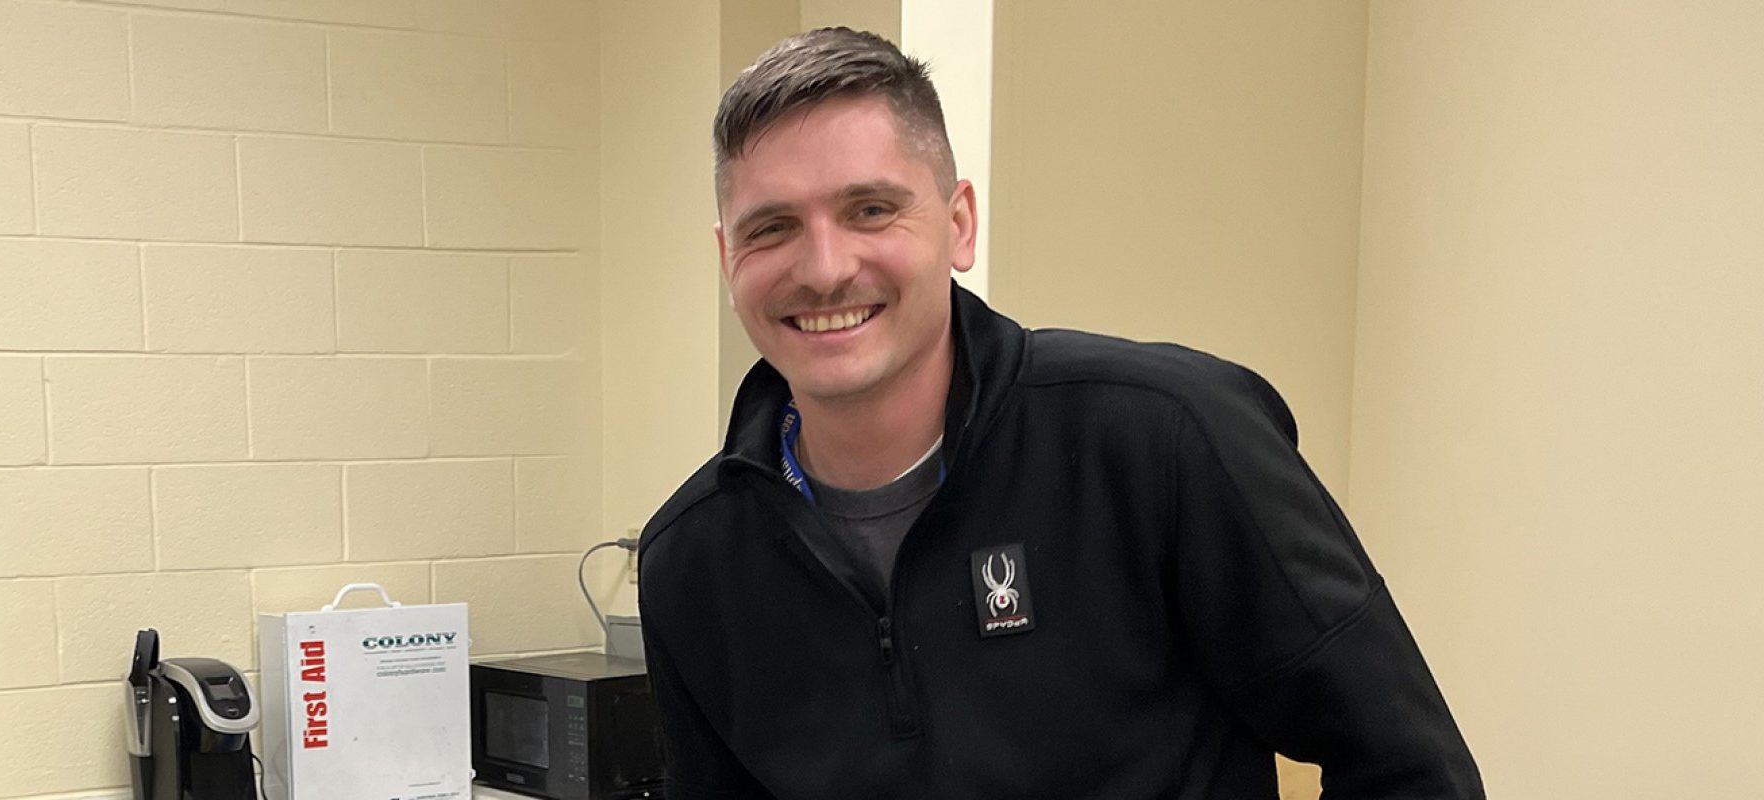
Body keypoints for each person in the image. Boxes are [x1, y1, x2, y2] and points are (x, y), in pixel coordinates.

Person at [636, 27, 1484, 799]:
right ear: (727, 258)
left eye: (871, 209)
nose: (824, 267)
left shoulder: (1168, 441)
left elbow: (1412, 769)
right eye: (773, 227)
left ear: (959, 224)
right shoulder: (694, 562)